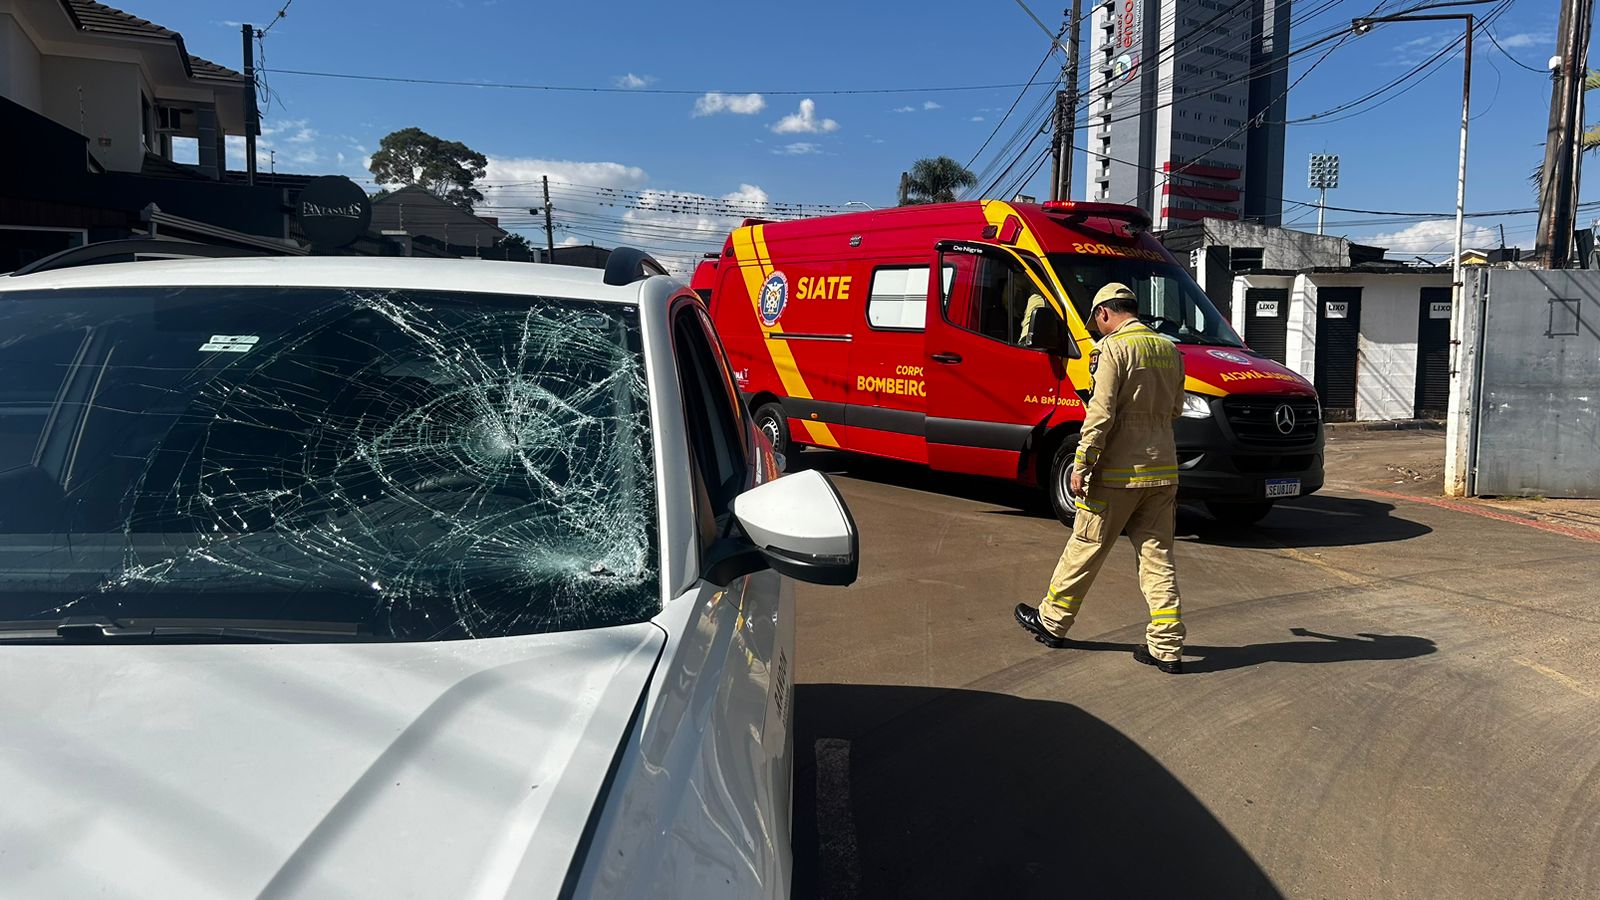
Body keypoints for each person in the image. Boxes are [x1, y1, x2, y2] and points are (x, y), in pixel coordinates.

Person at [1013, 282, 1188, 674]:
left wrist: (1082, 463)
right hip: (1162, 472)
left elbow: (1100, 413)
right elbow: (1175, 409)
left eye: (1097, 321)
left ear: (1104, 313)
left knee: (1086, 546)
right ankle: (1167, 646)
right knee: (1158, 558)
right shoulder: (1170, 350)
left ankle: (1053, 621)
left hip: (1117, 475)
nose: (1098, 328)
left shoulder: (1113, 348)